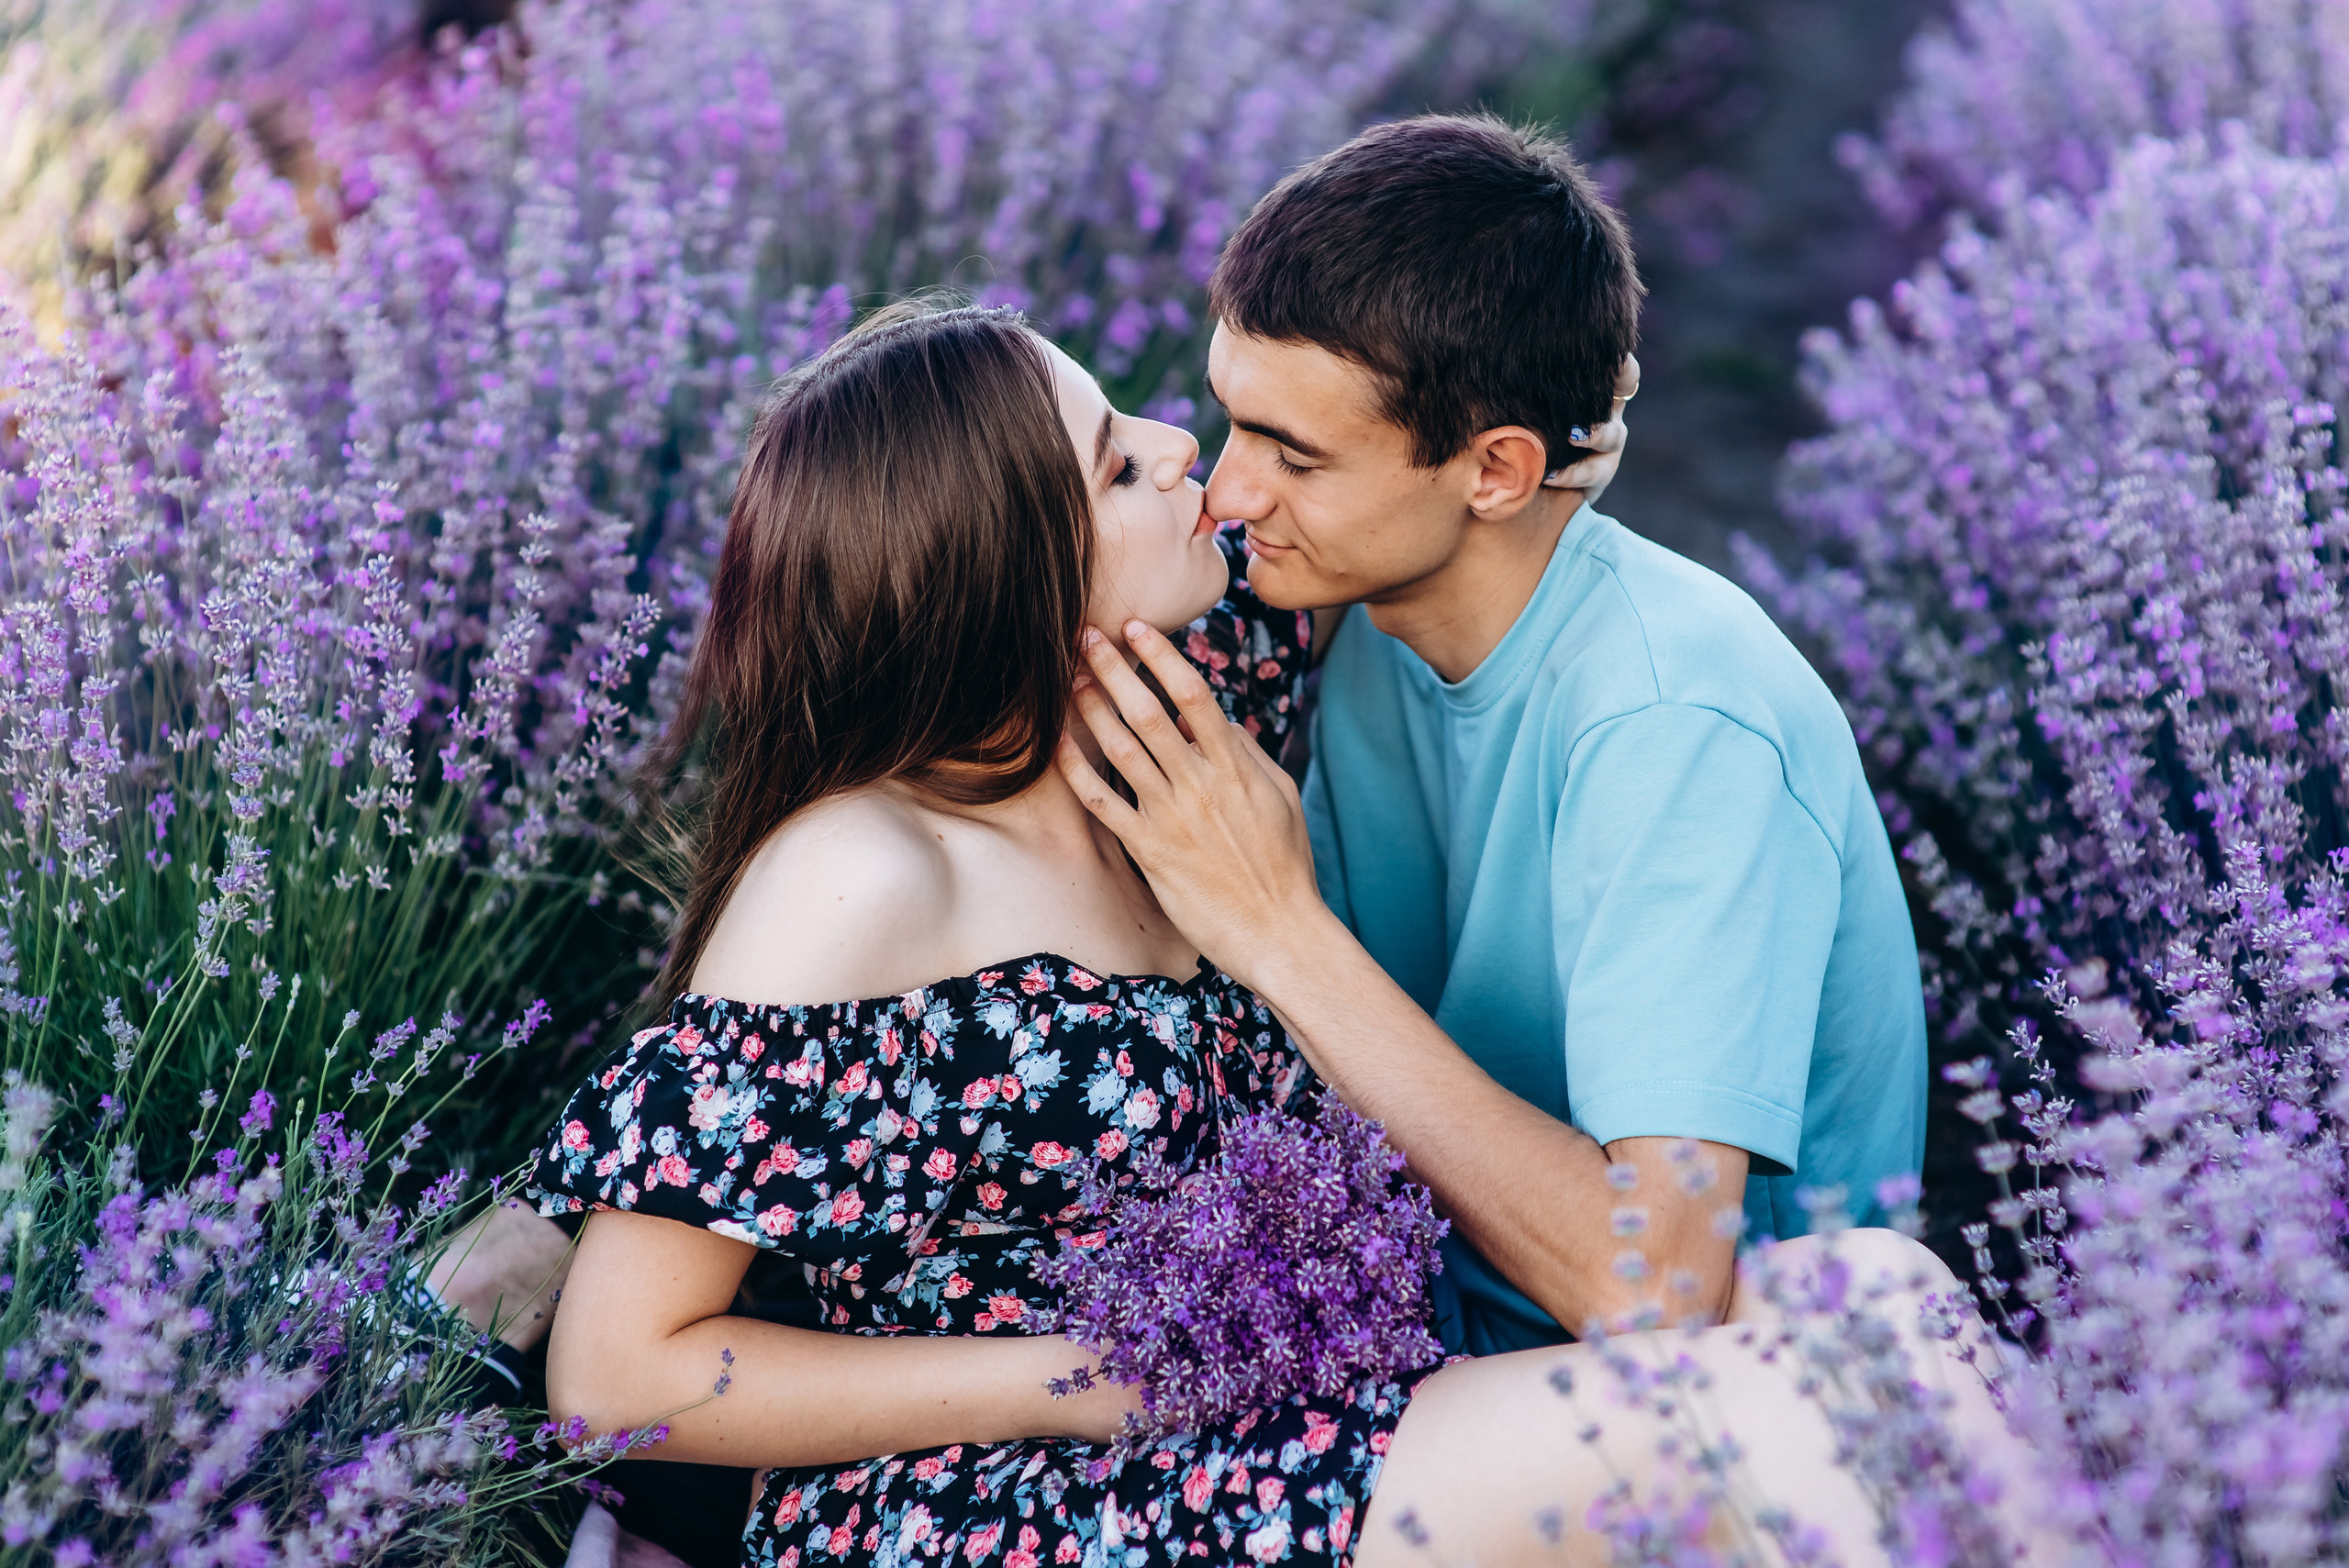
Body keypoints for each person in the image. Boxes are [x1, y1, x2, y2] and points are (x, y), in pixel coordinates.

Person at [519, 298, 2049, 1568]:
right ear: (1014, 584)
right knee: (1752, 1423)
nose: (1190, 454)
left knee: (1877, 1299)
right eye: (1119, 465)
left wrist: (1550, 408)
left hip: (1309, 1413)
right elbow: (618, 1375)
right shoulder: (867, 872)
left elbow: (1420, 505)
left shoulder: (1196, 709)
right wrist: (1085, 1382)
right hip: (1024, 1497)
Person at [1056, 113, 1931, 1362]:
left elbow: (1663, 1293)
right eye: (1233, 421)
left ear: (1498, 473)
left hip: (1692, 1416)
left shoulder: (1677, 722)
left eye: (1295, 456)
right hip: (1405, 1325)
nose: (1232, 494)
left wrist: (1275, 930)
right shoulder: (1347, 598)